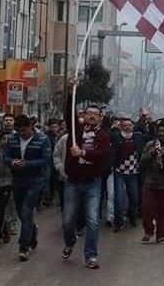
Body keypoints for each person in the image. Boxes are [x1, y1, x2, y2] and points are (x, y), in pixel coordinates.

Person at [61, 104, 110, 269]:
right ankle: (70, 241)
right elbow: (69, 115)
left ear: (100, 117)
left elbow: (102, 155)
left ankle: (91, 255)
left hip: (92, 182)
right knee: (68, 220)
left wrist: (83, 153)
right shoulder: (76, 131)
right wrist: (70, 94)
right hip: (73, 181)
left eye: (96, 114)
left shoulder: (103, 135)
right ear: (84, 115)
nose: (92, 116)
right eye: (89, 113)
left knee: (92, 220)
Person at [4, 114, 51, 262]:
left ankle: (23, 247)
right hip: (17, 179)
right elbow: (5, 156)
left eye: (24, 130)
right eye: (19, 131)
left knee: (26, 211)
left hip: (35, 180)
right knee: (21, 213)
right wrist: (13, 162)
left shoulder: (43, 139)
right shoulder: (12, 139)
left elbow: (46, 159)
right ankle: (32, 232)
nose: (22, 134)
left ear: (30, 127)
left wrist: (28, 164)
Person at [112, 117, 145, 231]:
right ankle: (118, 222)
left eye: (129, 125)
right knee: (119, 199)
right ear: (121, 126)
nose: (127, 127)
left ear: (133, 126)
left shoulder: (138, 137)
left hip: (134, 173)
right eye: (124, 125)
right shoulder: (116, 137)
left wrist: (144, 118)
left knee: (134, 198)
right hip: (120, 172)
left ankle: (133, 217)